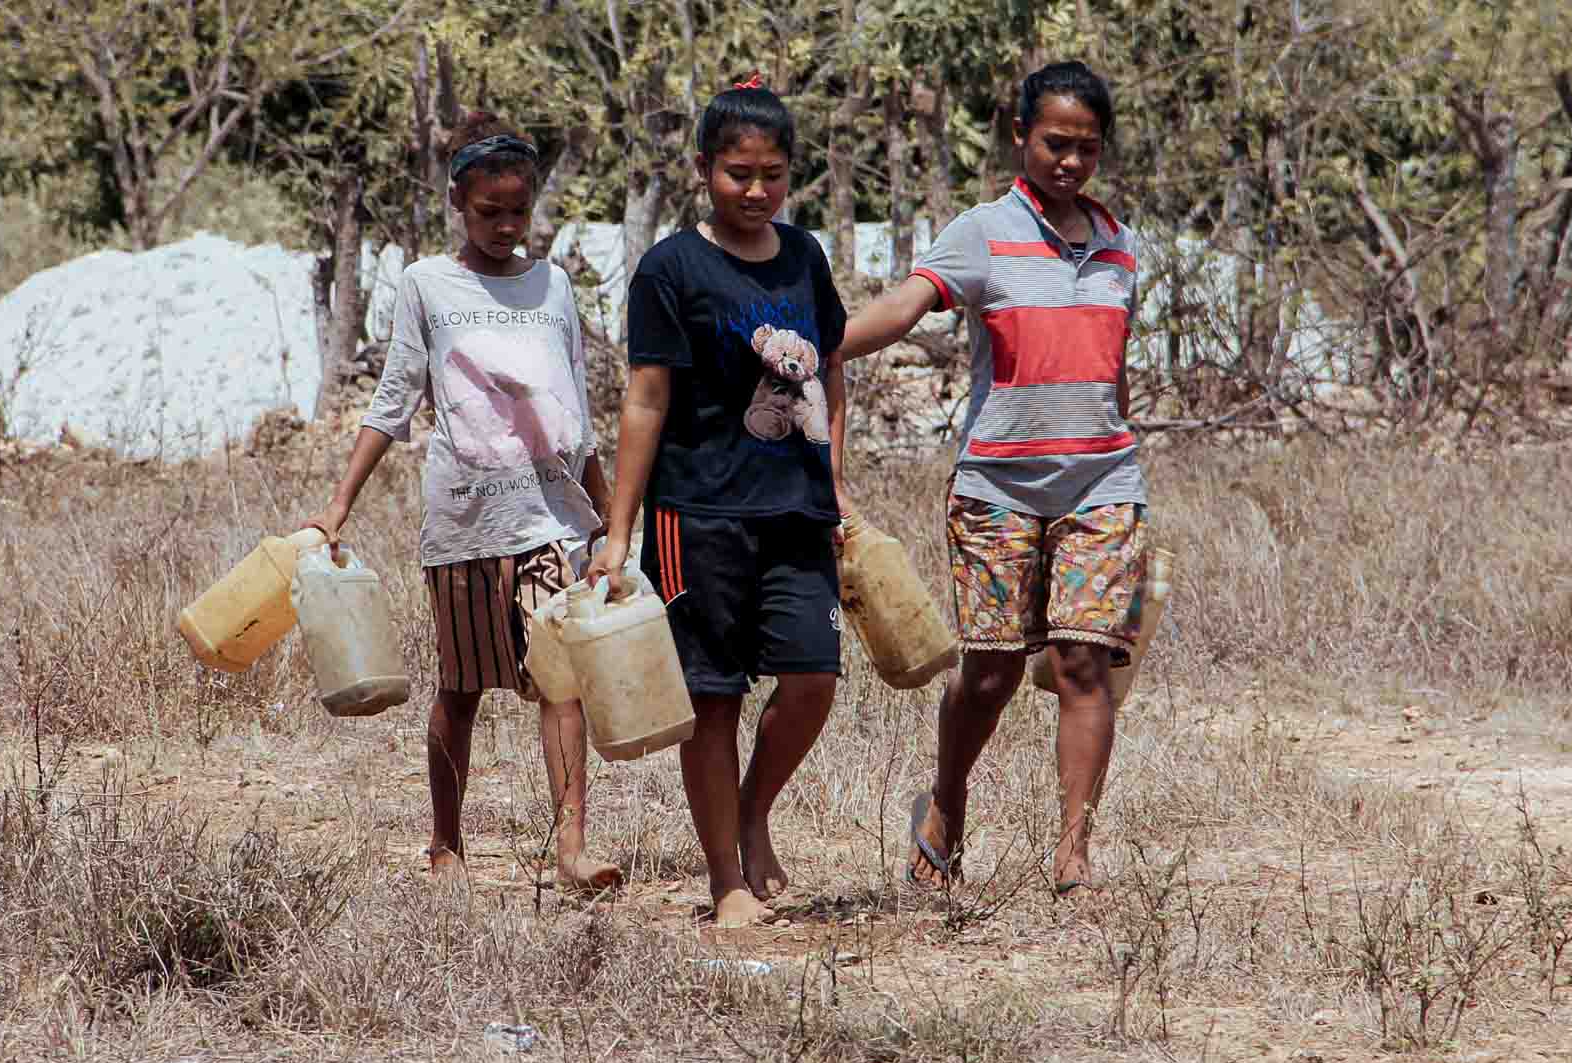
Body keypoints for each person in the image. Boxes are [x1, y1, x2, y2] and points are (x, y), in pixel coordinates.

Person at [837, 61, 1146, 896]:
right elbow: (905, 305)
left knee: (1085, 666)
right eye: (1055, 143)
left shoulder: (1121, 245)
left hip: (1103, 485)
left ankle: (1073, 853)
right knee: (993, 670)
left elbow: (1109, 374)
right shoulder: (981, 232)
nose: (1070, 162)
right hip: (998, 490)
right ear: (1020, 137)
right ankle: (945, 800)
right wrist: (821, 341)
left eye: (1086, 148)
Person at [305, 112, 621, 892]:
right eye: (490, 212)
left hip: (551, 517)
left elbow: (576, 411)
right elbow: (393, 401)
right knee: (461, 687)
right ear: (457, 200)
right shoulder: (427, 284)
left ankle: (571, 845)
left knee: (561, 680)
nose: (506, 227)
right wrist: (339, 502)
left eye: (519, 210)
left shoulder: (554, 285)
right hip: (467, 520)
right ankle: (446, 844)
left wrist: (611, 516)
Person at [586, 78, 849, 929]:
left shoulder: (805, 255)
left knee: (812, 678)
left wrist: (837, 485)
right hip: (694, 514)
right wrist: (617, 535)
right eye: (739, 172)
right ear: (704, 169)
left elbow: (831, 364)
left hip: (797, 510)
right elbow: (646, 399)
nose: (757, 190)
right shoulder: (670, 268)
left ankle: (752, 808)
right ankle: (725, 878)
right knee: (714, 696)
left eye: (773, 173)